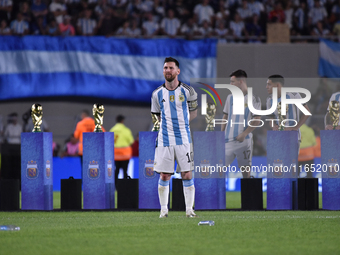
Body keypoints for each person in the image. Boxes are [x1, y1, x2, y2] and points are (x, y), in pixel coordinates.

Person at [151, 57, 198, 218]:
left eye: (171, 68)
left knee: (187, 173)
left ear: (178, 71)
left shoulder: (188, 91)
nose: (168, 71)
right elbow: (156, 115)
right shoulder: (157, 94)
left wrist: (182, 124)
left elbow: (194, 112)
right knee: (164, 175)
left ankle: (189, 210)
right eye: (165, 68)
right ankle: (163, 211)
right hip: (164, 139)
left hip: (184, 138)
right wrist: (168, 127)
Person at [221, 70, 262, 178]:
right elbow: (225, 116)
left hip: (244, 141)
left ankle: (248, 193)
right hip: (227, 141)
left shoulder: (254, 99)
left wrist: (244, 134)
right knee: (219, 169)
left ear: (241, 81)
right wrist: (221, 134)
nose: (230, 84)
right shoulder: (230, 98)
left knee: (245, 172)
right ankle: (218, 194)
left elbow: (256, 120)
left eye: (232, 82)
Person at [266, 75, 311, 149]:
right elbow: (271, 118)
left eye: (269, 84)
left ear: (277, 85)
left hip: (292, 136)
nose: (266, 87)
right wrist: (273, 126)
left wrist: (295, 127)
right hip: (277, 137)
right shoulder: (269, 99)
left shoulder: (293, 95)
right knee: (278, 160)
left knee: (289, 160)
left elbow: (307, 112)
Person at [110, 115, 134, 186]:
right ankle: (124, 187)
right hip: (125, 154)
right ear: (122, 121)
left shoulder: (112, 130)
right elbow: (131, 141)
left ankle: (115, 186)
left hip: (115, 154)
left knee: (116, 170)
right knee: (125, 171)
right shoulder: (126, 130)